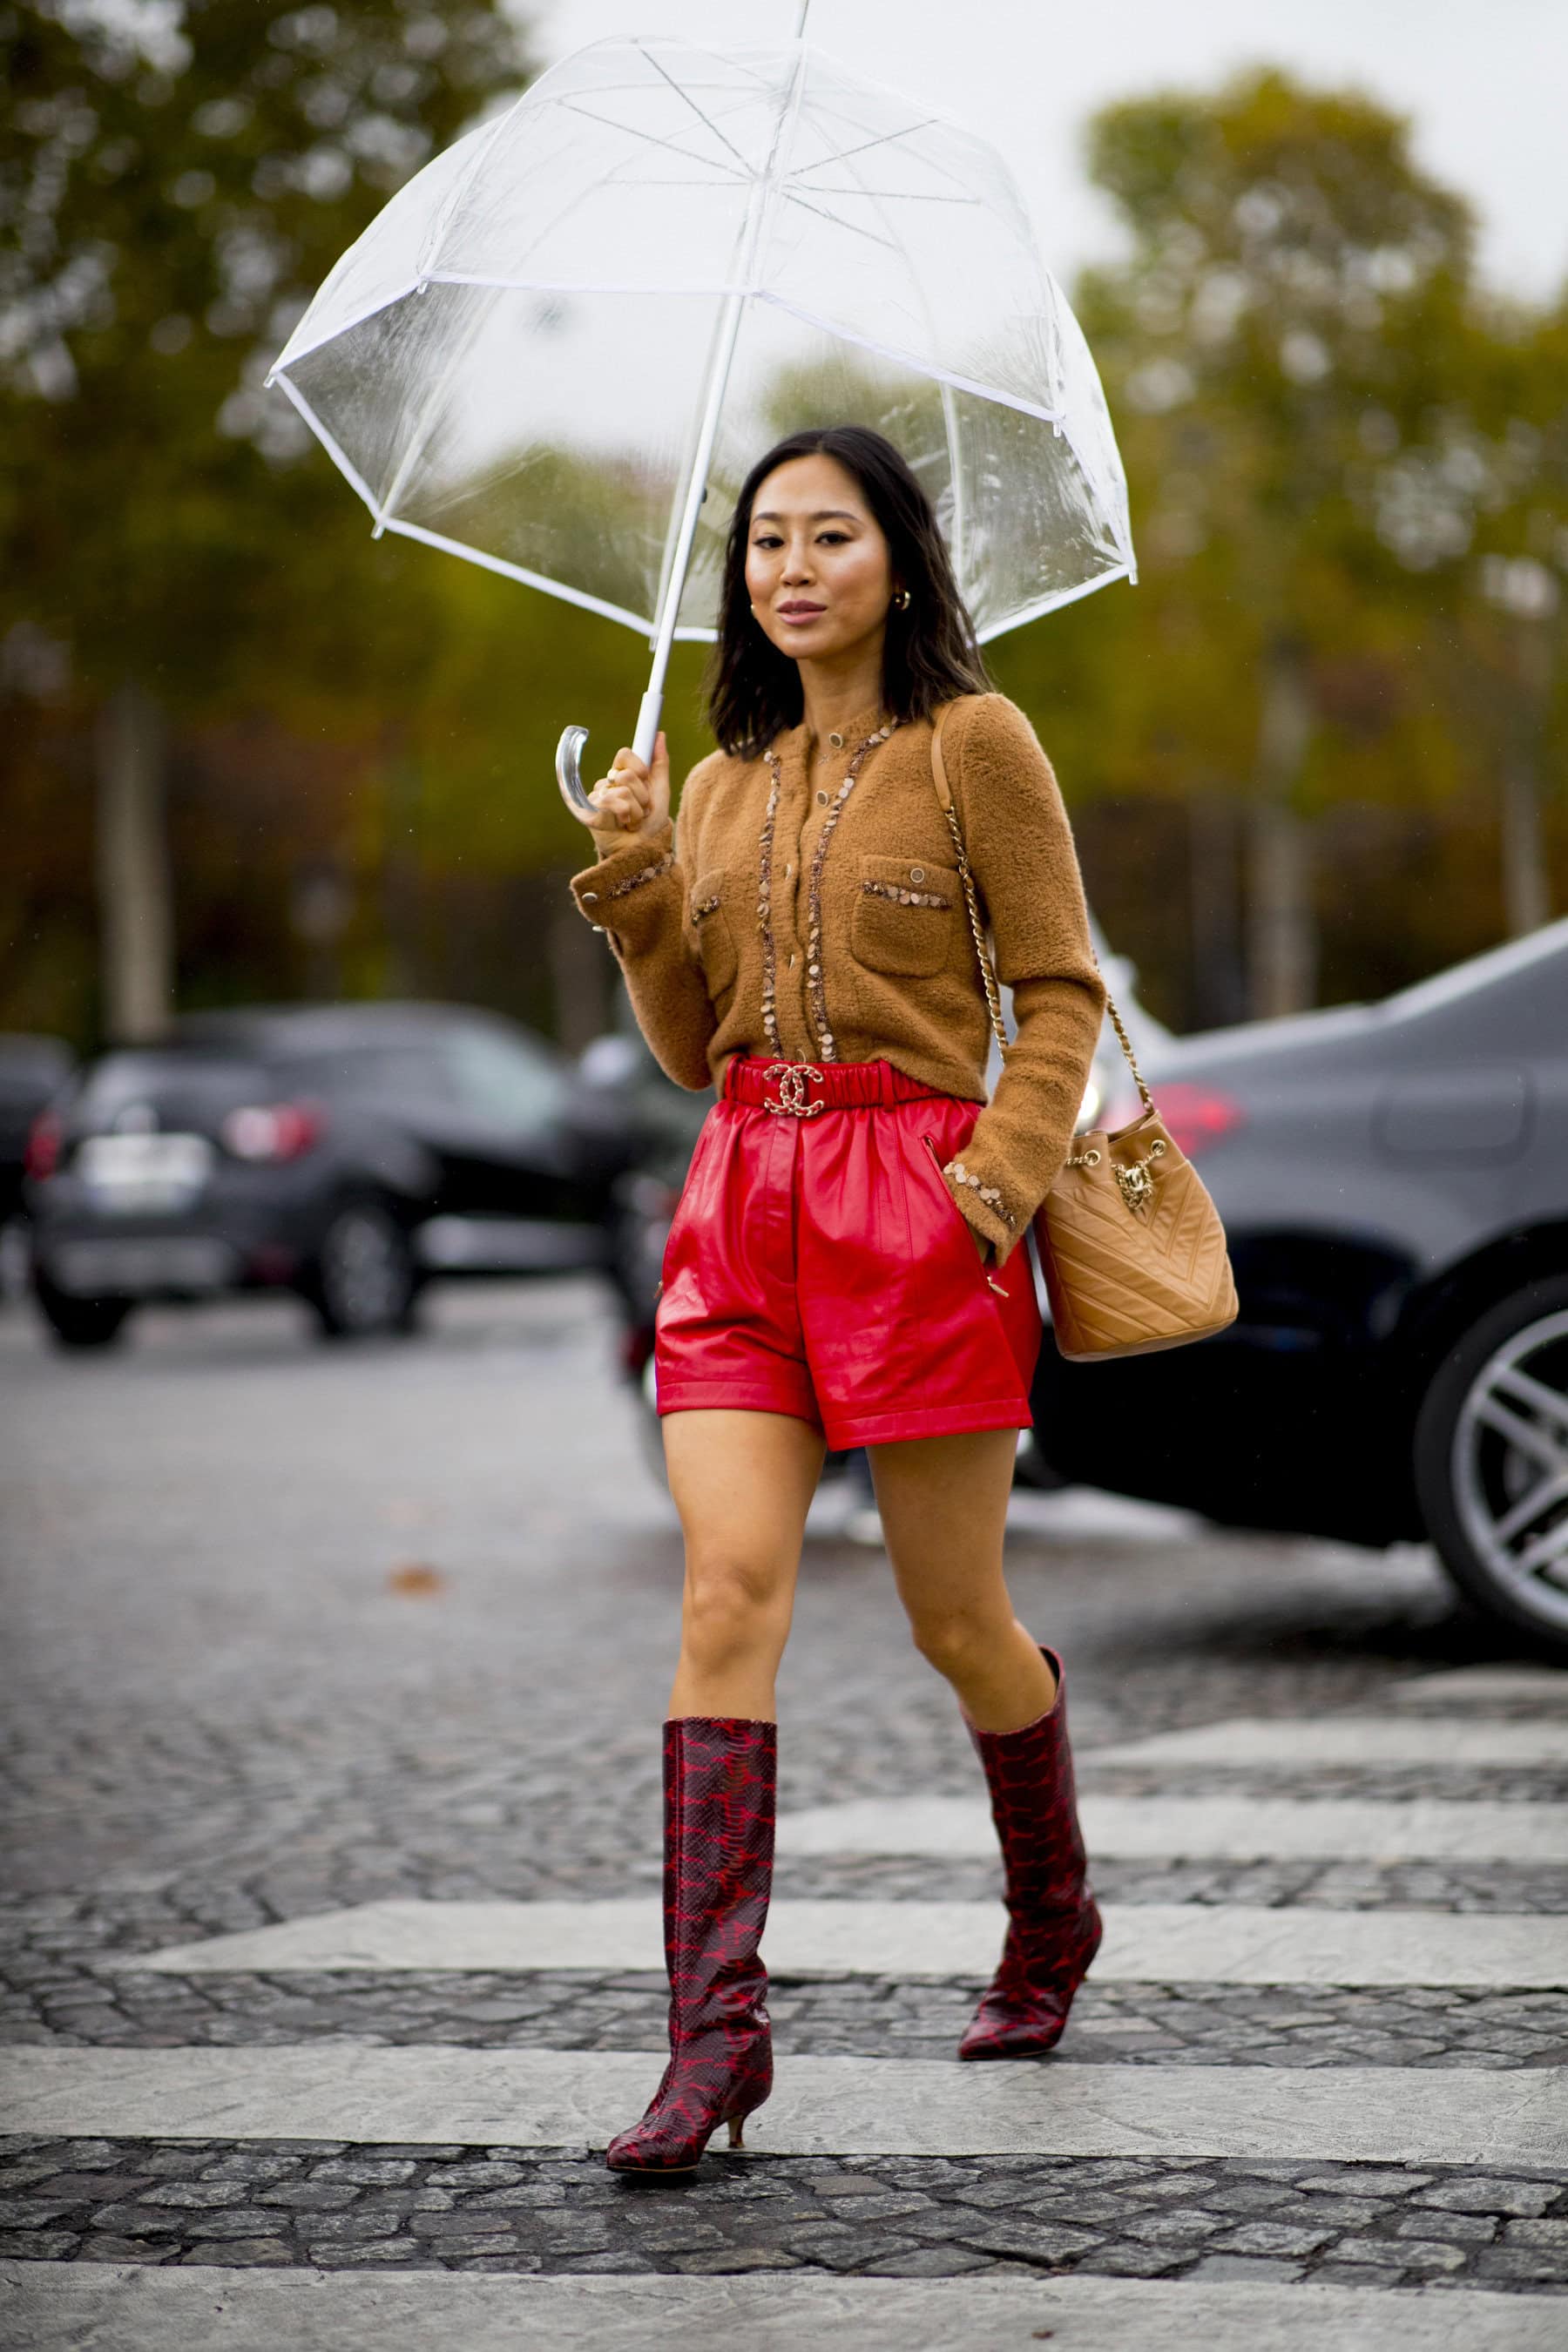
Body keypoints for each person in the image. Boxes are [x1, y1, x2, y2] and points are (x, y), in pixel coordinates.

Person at [567, 424, 1107, 2176]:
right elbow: (683, 1042)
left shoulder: (977, 746)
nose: (794, 568)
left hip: (920, 1211)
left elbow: (1063, 995)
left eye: (833, 536)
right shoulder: (711, 782)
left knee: (961, 1622)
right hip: (740, 1209)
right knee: (727, 1592)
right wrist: (641, 884)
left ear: (898, 560)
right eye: (768, 541)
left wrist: (987, 1199)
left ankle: (1050, 1915)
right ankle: (715, 2040)